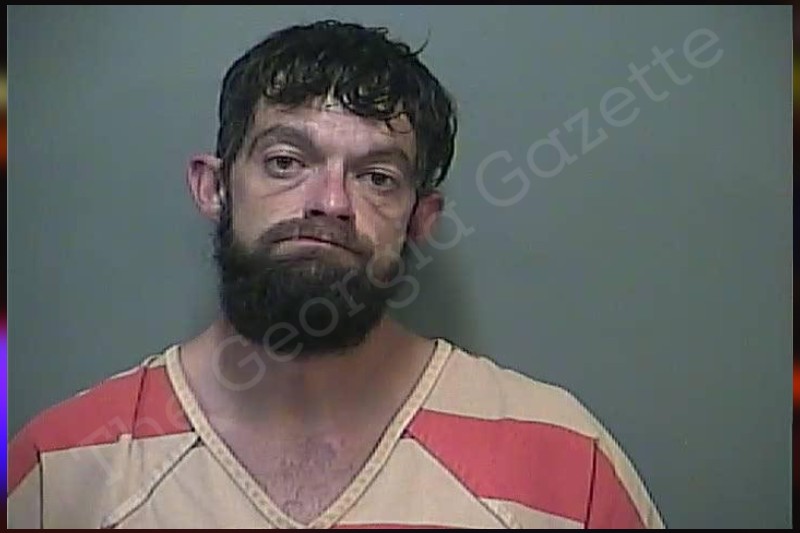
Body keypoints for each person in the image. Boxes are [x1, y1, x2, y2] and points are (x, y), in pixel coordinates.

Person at [7, 20, 665, 529]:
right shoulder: (63, 470)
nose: (330, 202)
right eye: (286, 161)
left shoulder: (563, 463)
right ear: (214, 188)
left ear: (421, 220)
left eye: (376, 176)